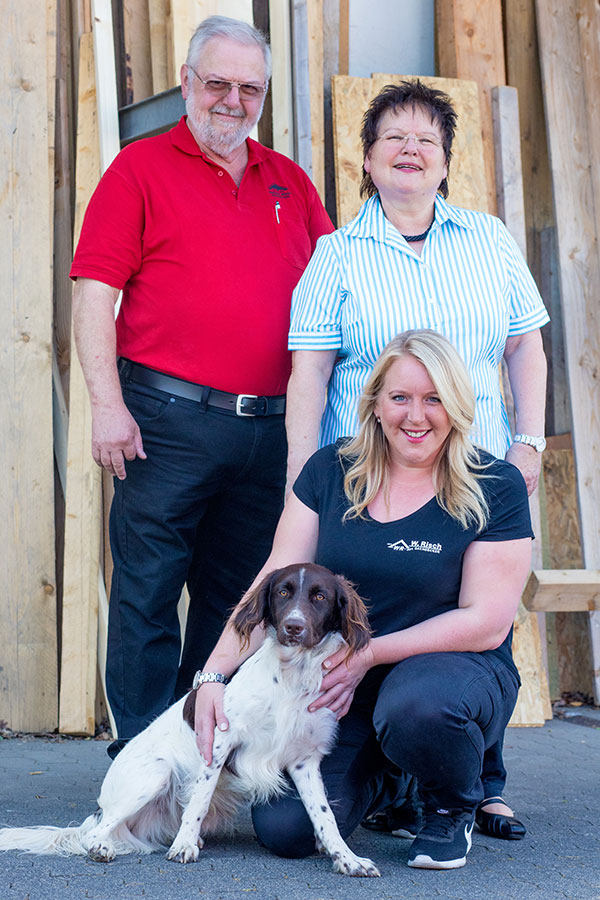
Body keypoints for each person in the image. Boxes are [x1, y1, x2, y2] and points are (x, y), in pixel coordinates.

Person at [284, 79, 549, 838]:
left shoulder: (489, 240)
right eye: (392, 137)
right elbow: (310, 368)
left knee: (481, 617)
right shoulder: (336, 255)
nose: (408, 149)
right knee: (385, 605)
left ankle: (478, 779)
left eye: (425, 140)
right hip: (371, 474)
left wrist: (528, 441)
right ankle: (377, 771)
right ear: (366, 160)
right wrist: (304, 478)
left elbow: (525, 343)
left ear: (444, 162)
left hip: (476, 469)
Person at [69, 16, 333, 758]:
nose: (231, 100)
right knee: (148, 595)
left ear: (263, 97)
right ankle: (144, 762)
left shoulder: (291, 181)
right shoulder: (139, 169)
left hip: (271, 431)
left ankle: (200, 757)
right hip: (165, 419)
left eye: (249, 88)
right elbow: (94, 293)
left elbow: (341, 288)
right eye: (216, 83)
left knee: (238, 601)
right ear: (186, 82)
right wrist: (107, 405)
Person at [194, 330, 534, 870]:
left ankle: (448, 804)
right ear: (375, 403)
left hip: (448, 677)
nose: (415, 416)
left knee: (417, 708)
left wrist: (368, 654)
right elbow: (273, 582)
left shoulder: (496, 486)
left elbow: (486, 622)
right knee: (286, 831)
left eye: (434, 398)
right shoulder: (331, 471)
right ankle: (390, 784)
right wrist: (214, 675)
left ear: (458, 406)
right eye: (399, 397)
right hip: (334, 687)